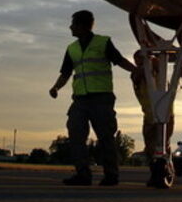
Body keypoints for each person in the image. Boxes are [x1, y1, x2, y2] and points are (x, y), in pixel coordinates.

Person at [49, 10, 136, 186]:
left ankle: (111, 175)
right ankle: (83, 174)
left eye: (73, 24)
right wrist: (56, 87)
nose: (70, 27)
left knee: (105, 138)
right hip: (80, 100)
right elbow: (66, 73)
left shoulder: (103, 42)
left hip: (101, 99)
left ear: (82, 26)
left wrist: (138, 71)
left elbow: (119, 60)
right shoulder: (71, 48)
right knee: (76, 135)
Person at [131, 51, 175, 186]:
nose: (141, 62)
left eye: (144, 59)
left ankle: (167, 171)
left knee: (163, 144)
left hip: (165, 114)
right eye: (139, 60)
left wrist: (152, 57)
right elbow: (136, 75)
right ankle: (155, 172)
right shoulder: (137, 75)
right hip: (149, 116)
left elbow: (159, 65)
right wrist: (146, 63)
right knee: (150, 148)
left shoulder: (159, 73)